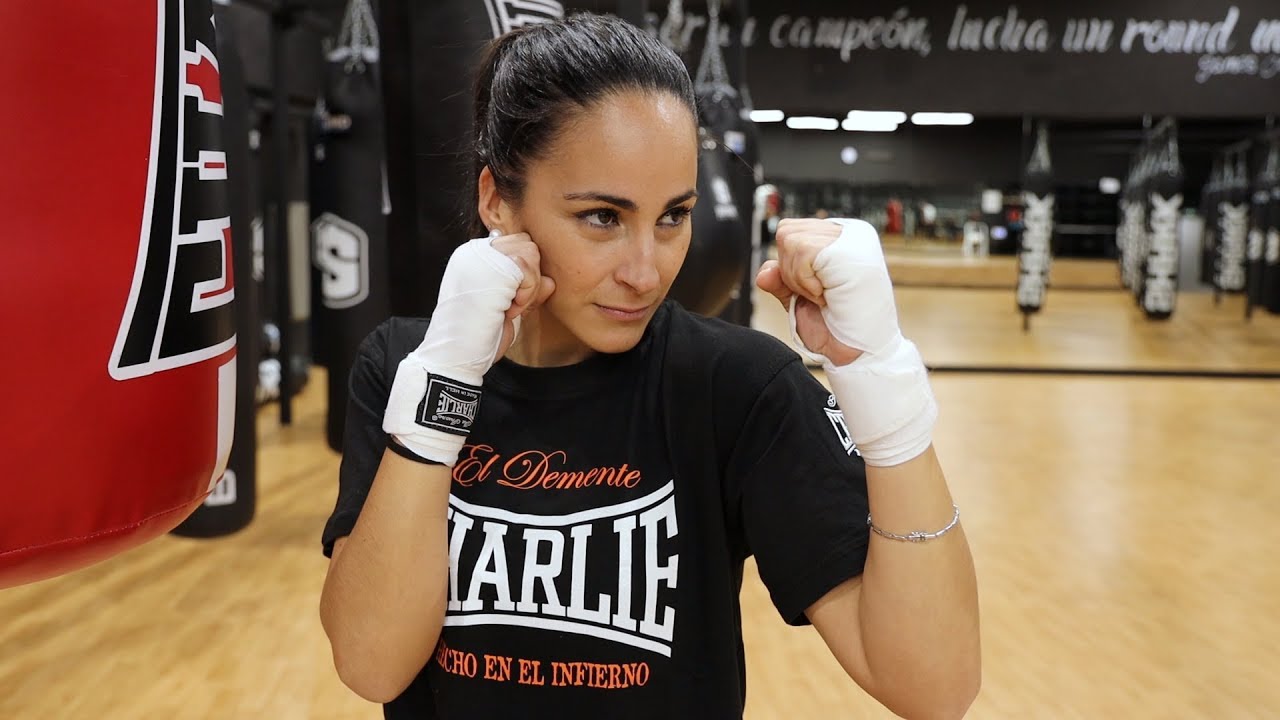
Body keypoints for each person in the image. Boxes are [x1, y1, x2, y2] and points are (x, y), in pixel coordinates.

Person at [318, 13, 979, 719]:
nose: (646, 271)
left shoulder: (733, 387)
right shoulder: (403, 366)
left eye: (673, 216)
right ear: (497, 202)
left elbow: (933, 687)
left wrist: (883, 381)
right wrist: (443, 391)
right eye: (603, 216)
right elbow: (371, 663)